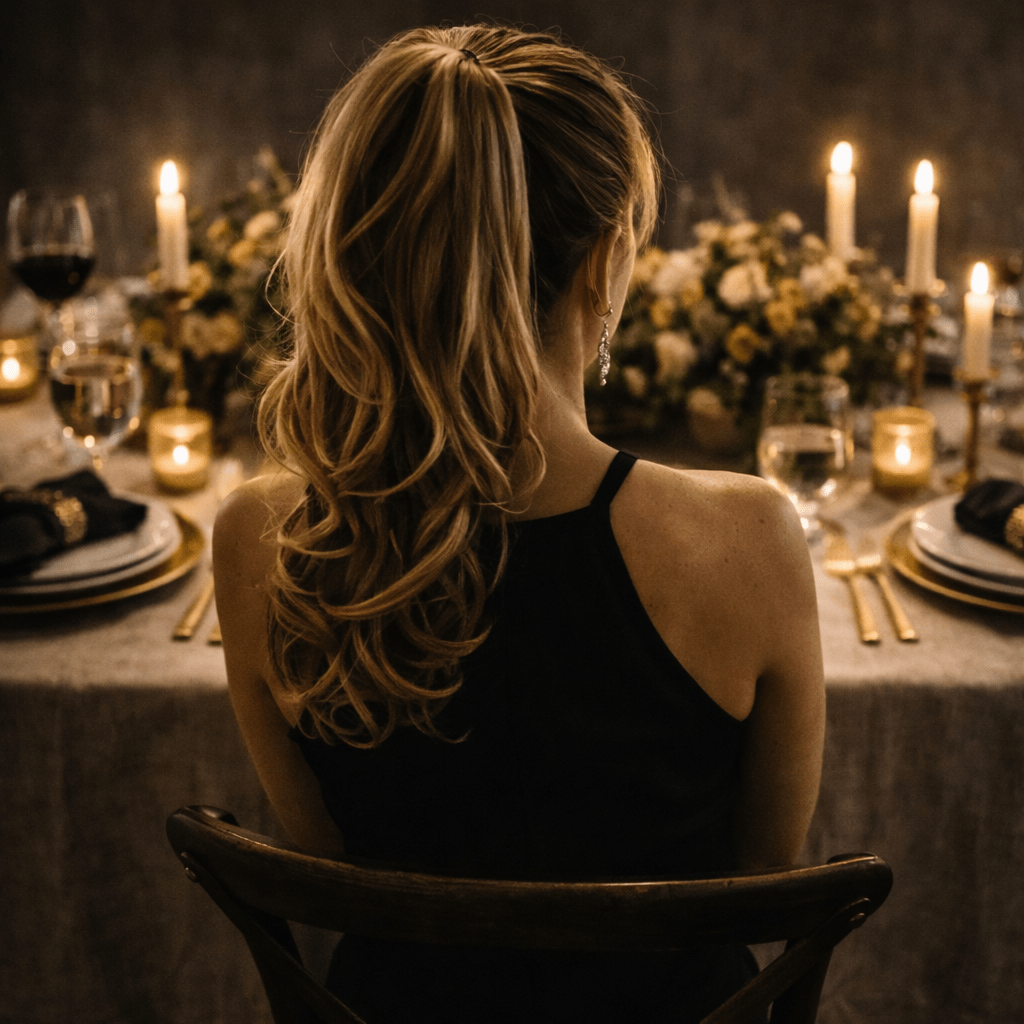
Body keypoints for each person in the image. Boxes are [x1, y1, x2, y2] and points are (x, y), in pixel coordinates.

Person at [213, 23, 825, 1024]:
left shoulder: (258, 537)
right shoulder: (748, 536)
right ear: (608, 256)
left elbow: (333, 862)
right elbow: (755, 878)